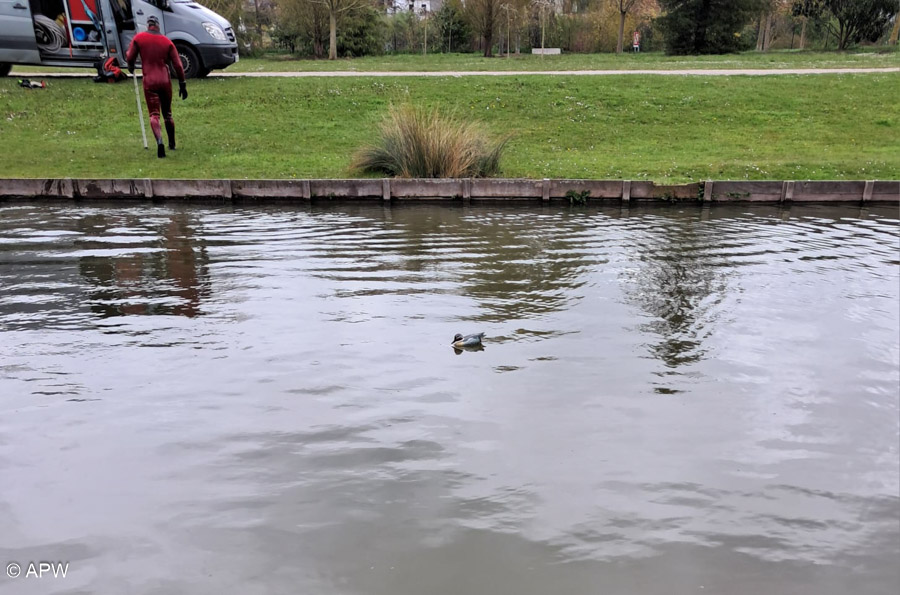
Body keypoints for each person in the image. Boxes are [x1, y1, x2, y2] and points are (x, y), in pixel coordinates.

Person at [126, 16, 187, 158]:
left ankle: (159, 141)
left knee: (154, 114)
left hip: (150, 80)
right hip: (165, 80)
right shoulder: (167, 42)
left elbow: (130, 57)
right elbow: (178, 65)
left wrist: (130, 66)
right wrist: (182, 84)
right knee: (168, 114)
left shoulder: (139, 38)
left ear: (148, 25)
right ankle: (171, 143)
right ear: (158, 26)